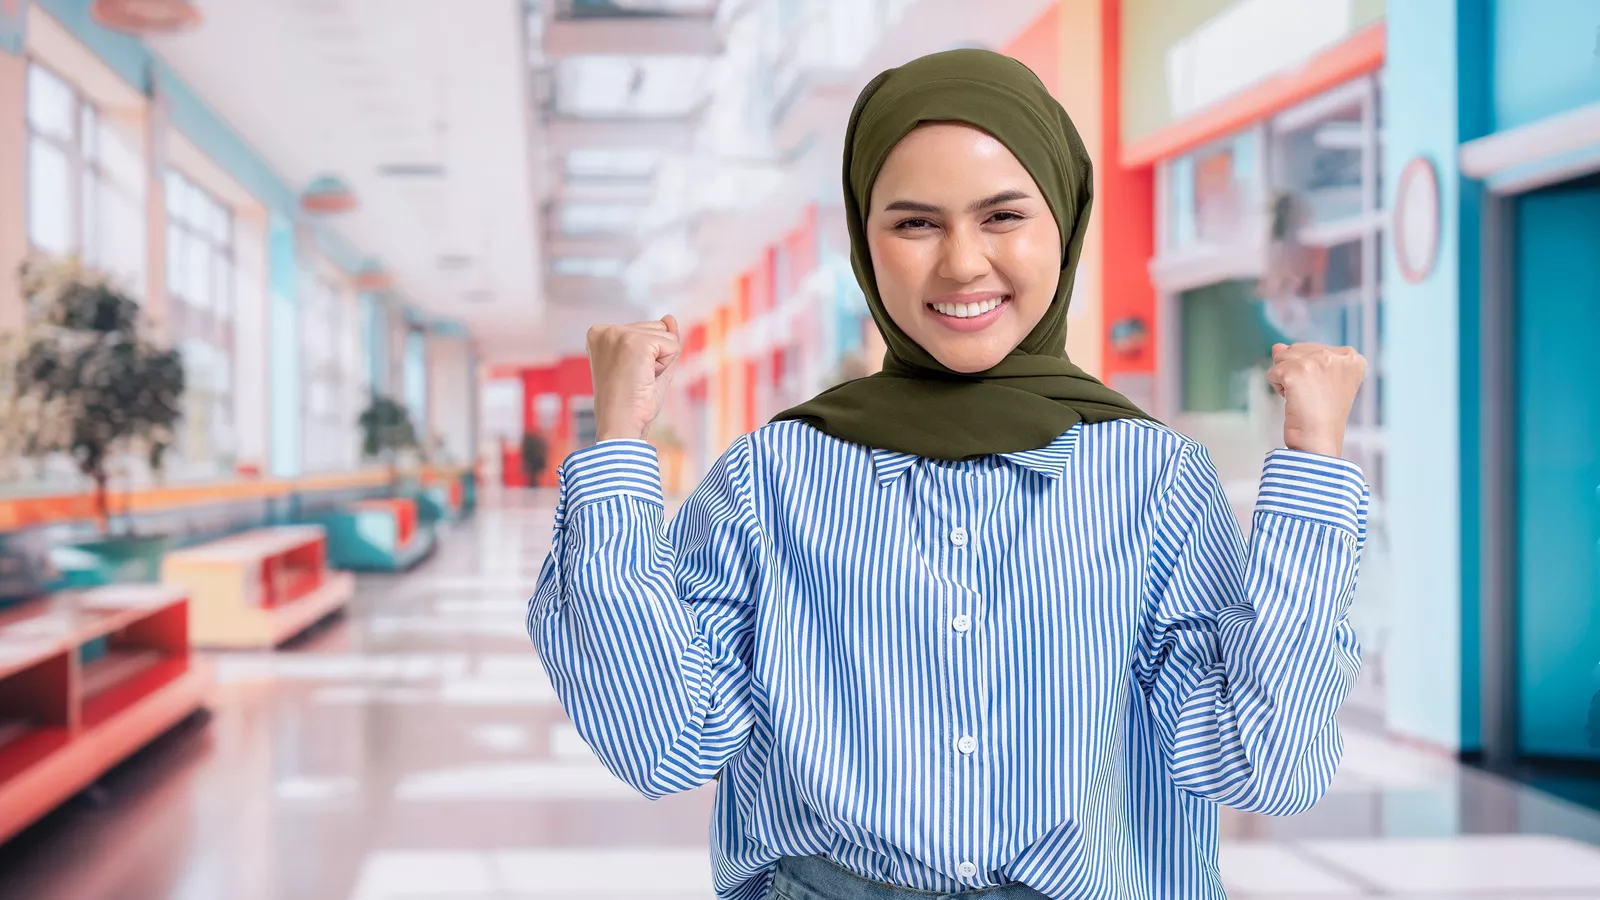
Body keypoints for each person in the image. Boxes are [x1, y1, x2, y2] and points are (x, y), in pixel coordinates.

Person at [528, 49, 1367, 900]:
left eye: (1003, 216)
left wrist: (1314, 478)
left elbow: (1265, 765)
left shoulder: (1154, 483)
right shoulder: (770, 481)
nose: (963, 264)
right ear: (865, 240)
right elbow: (662, 739)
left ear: (1064, 224)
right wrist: (617, 452)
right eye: (915, 223)